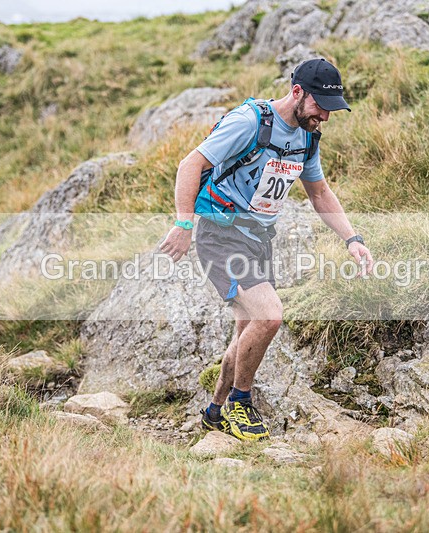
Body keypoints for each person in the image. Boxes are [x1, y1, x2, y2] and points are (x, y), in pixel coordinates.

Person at [159, 58, 373, 441]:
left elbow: (320, 192)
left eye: (331, 109)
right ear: (296, 93)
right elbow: (190, 164)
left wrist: (352, 239)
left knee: (246, 331)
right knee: (270, 316)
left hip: (258, 240)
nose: (324, 116)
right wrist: (183, 223)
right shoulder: (248, 122)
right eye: (320, 106)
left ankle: (214, 411)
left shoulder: (308, 137)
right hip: (221, 235)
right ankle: (242, 403)